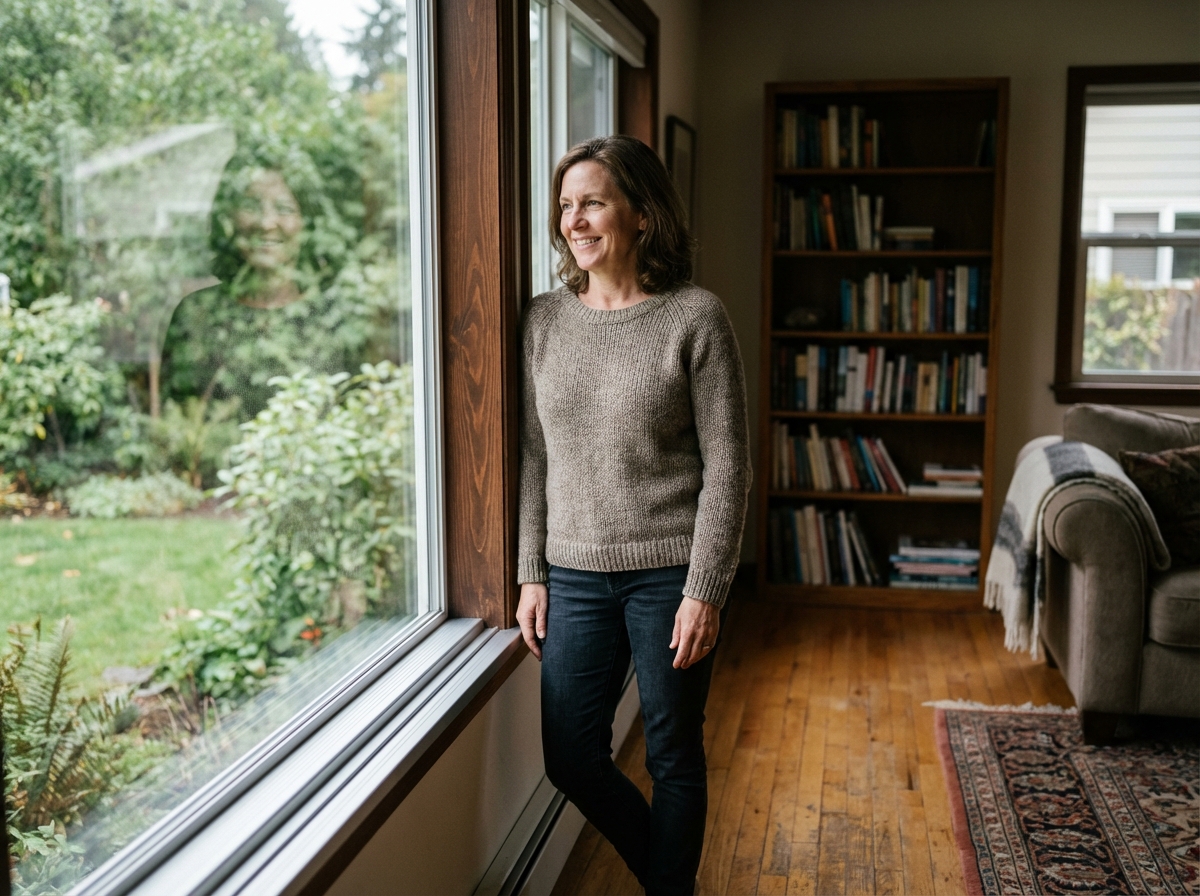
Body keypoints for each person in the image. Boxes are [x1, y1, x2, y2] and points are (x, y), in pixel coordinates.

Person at [516, 135, 751, 895]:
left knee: (674, 753)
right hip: (574, 574)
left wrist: (705, 589)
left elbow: (729, 466)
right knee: (570, 757)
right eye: (565, 206)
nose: (574, 221)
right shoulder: (544, 321)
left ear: (642, 214)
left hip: (670, 573)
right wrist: (531, 572)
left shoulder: (695, 318)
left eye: (592, 203)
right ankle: (667, 881)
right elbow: (534, 457)